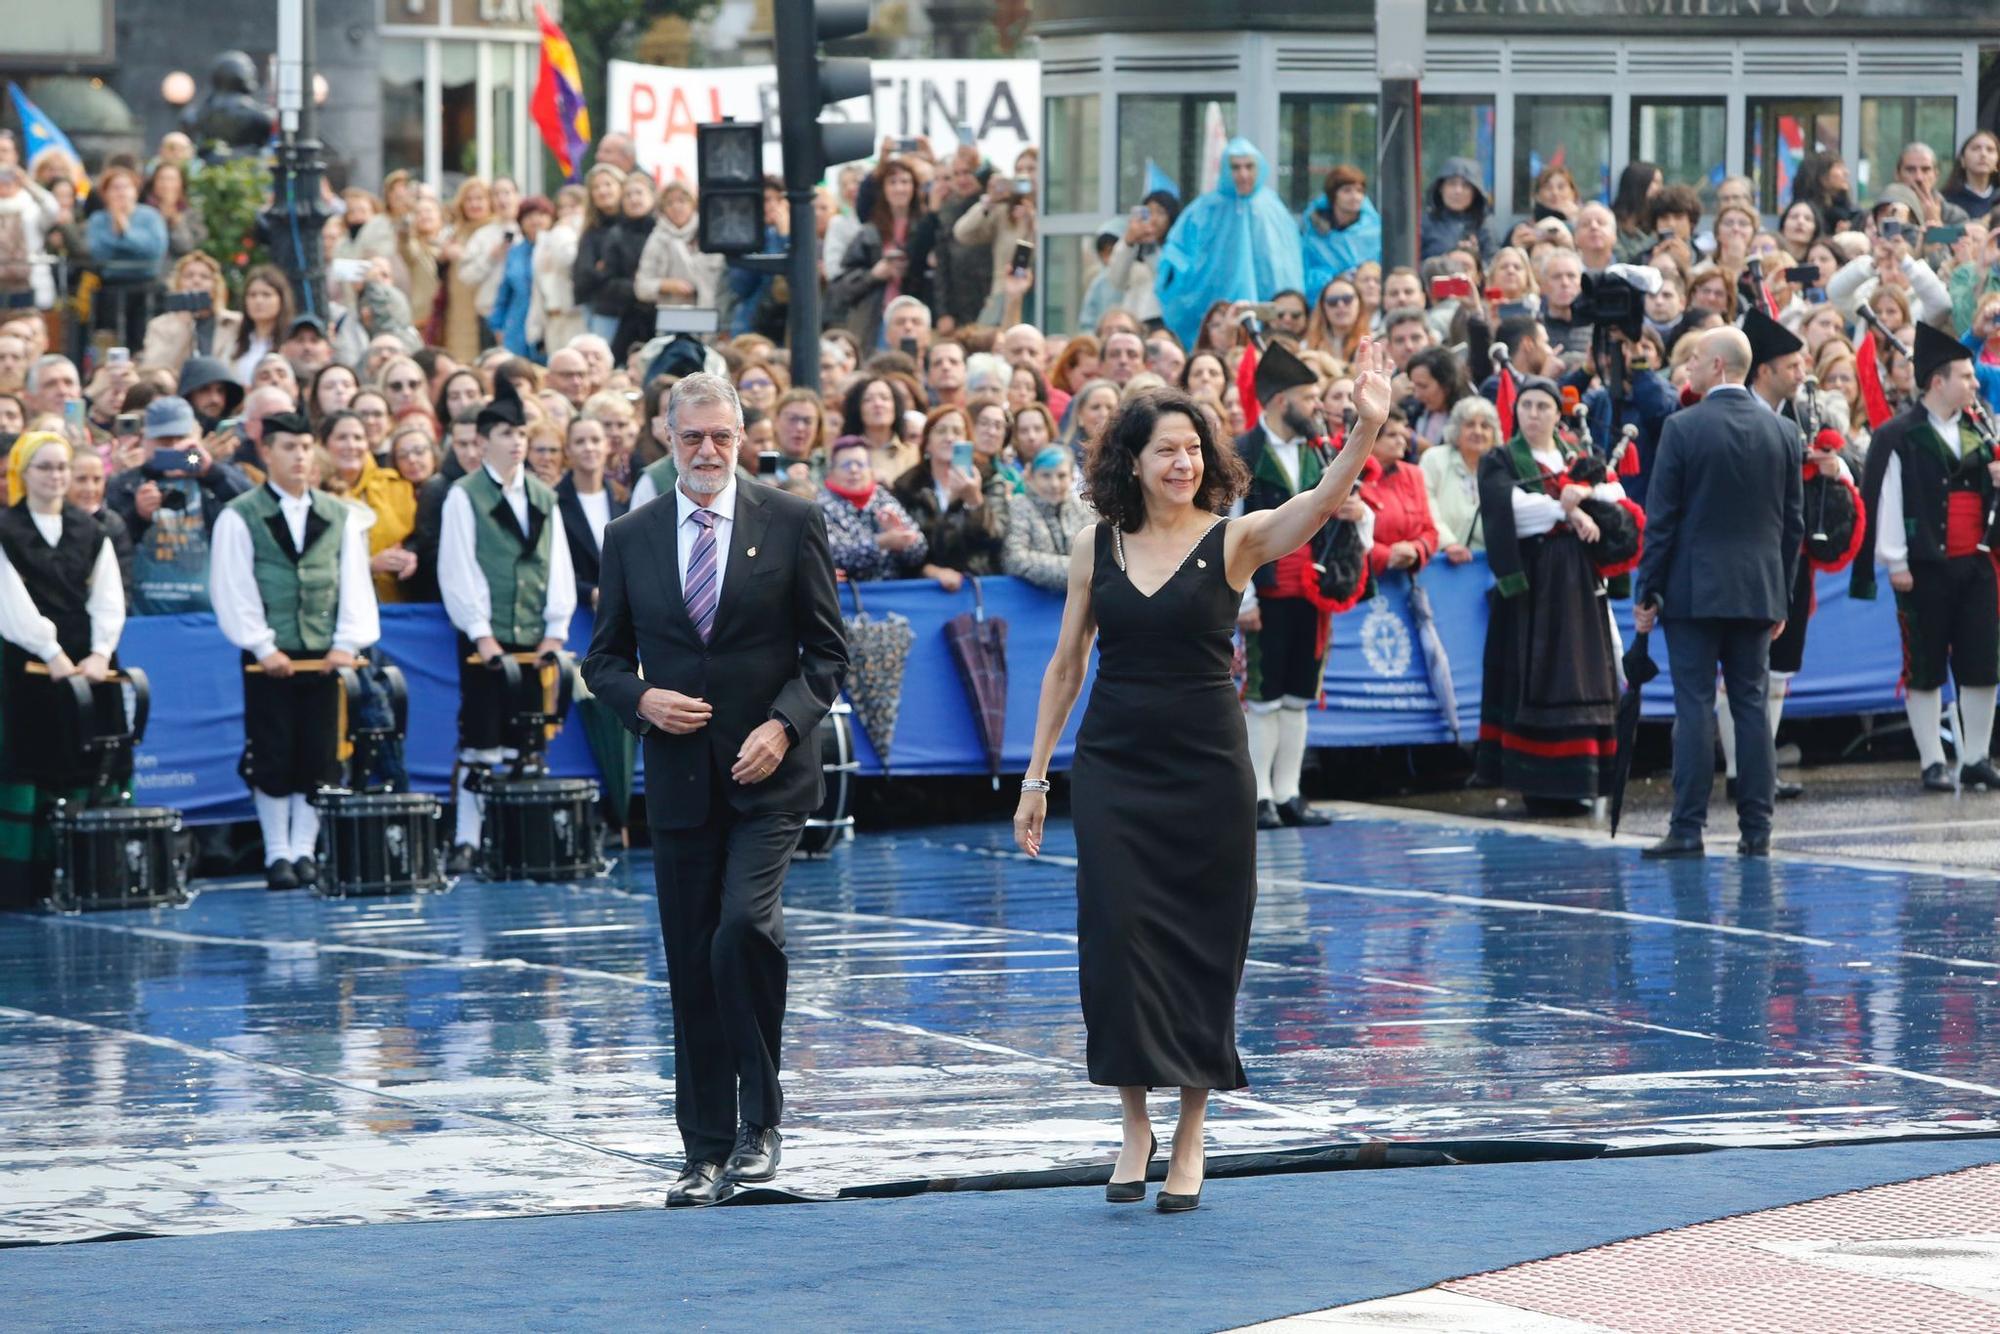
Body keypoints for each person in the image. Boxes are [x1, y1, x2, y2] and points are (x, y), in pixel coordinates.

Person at [1013, 355, 1388, 1213]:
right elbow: (1067, 664)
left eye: (1192, 449)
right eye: (1164, 451)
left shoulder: (1235, 536)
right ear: (1132, 464)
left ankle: (1190, 1132)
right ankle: (1133, 1123)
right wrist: (1036, 776)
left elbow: (1317, 505)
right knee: (1117, 940)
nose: (1182, 463)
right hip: (1114, 762)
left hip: (1209, 766)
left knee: (1199, 944)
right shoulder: (1092, 545)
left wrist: (1364, 427)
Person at [583, 372, 846, 1207]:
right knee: (692, 964)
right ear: (667, 440)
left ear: (743, 439)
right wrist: (641, 700)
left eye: (721, 437)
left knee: (743, 931)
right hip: (678, 784)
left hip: (769, 780)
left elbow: (828, 655)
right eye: (691, 437)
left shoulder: (794, 520)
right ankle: (702, 1148)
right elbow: (603, 661)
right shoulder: (630, 535)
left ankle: (760, 1124)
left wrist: (784, 724)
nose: (706, 452)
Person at [1634, 328, 1805, 858]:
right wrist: (1781, 596)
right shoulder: (1782, 432)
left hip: (1692, 593)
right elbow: (1793, 526)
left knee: (1695, 708)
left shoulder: (1682, 428)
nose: (1685, 371)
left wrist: (1648, 590)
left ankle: (1687, 828)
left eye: (1691, 362)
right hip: (1757, 591)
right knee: (1751, 707)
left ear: (1717, 366)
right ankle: (1758, 830)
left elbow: (1662, 521)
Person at [209, 412, 380, 890]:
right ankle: (276, 852)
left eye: (306, 446)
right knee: (272, 752)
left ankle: (305, 850)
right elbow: (233, 587)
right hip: (271, 660)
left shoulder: (339, 514)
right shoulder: (241, 515)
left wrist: (346, 643)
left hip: (324, 656)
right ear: (266, 453)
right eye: (289, 447)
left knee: (319, 754)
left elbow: (354, 584)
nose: (300, 456)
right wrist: (262, 645)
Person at [1475, 376, 1636, 814]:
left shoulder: (1578, 456)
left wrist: (1580, 494)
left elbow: (1614, 495)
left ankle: (1581, 779)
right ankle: (1538, 784)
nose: (1533, 413)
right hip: (1533, 587)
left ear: (1557, 414)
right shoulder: (1501, 459)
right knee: (1538, 673)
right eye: (1525, 405)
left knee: (1582, 673)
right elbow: (1509, 511)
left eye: (1542, 406)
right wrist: (1565, 508)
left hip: (1580, 587)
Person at [436, 378, 576, 873]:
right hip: (487, 640)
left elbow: (556, 562)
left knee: (528, 739)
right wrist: (481, 632)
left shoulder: (543, 496)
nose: (517, 441)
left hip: (533, 640)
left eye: (521, 432)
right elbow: (457, 568)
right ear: (483, 440)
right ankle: (467, 839)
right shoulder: (463, 496)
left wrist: (555, 628)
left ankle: (517, 837)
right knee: (481, 739)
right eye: (505, 433)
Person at [1854, 323, 2000, 793]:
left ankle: (1976, 756)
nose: (1975, 384)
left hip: (1977, 565)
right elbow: (1887, 497)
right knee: (1925, 664)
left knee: (1982, 664)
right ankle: (1932, 760)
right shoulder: (1899, 434)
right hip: (1924, 566)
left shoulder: (1979, 429)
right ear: (1939, 381)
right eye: (1966, 376)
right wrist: (1895, 560)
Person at [1235, 342, 1370, 830]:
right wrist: (1243, 597)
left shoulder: (1324, 450)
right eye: (1308, 397)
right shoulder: (1243, 452)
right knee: (1264, 696)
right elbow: (1231, 526)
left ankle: (1289, 793)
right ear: (1278, 401)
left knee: (1298, 696)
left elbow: (1348, 511)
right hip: (1267, 594)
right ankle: (1259, 797)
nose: (1318, 407)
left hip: (1313, 594)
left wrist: (1359, 513)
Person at [0, 433, 127, 908]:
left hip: (88, 668)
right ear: (23, 473)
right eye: (44, 467)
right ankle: (24, 884)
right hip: (26, 668)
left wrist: (98, 654)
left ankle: (92, 873)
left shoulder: (91, 530)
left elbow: (109, 599)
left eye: (61, 467)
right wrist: (50, 652)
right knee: (30, 763)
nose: (55, 476)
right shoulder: (6, 530)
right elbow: (9, 602)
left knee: (88, 757)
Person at [106, 394, 251, 614]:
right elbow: (108, 546)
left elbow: (253, 510)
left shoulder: (216, 477)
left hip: (211, 613)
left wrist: (212, 472)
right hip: (144, 613)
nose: (174, 448)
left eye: (181, 439)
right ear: (145, 440)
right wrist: (137, 516)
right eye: (164, 442)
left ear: (196, 436)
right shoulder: (124, 484)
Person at [1155, 139, 1304, 349]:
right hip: (1216, 312)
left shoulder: (1273, 209)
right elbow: (1177, 255)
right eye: (1235, 167)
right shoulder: (1204, 209)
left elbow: (1291, 263)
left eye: (1249, 166)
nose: (1243, 174)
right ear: (1225, 169)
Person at [816, 434, 928, 580]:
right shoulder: (820, 506)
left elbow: (920, 550)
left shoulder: (884, 499)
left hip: (892, 593)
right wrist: (881, 542)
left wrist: (903, 540)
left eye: (860, 464)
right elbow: (831, 554)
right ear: (832, 471)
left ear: (870, 469)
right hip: (847, 596)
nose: (854, 470)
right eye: (846, 465)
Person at [1003, 446, 1094, 592]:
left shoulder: (1083, 507)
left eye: (1061, 476)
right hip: (1032, 604)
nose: (1054, 484)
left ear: (1072, 477)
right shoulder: (1019, 505)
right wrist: (1075, 569)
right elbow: (1015, 559)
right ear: (1031, 477)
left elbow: (1097, 558)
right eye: (1046, 476)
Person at [1422, 396, 1501, 561]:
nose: (1478, 431)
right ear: (1456, 431)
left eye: (1485, 426)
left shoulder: (1499, 467)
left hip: (1484, 563)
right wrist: (1448, 543)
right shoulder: (1435, 459)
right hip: (1439, 559)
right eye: (1470, 425)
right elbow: (1426, 503)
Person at [1300, 165, 1382, 301]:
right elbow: (1306, 270)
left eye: (1360, 191)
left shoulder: (1374, 230)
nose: (1355, 197)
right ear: (1333, 195)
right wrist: (1335, 278)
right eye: (1347, 191)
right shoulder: (1312, 231)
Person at [1420, 158, 1493, 261]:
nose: (1458, 191)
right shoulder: (1424, 224)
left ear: (1475, 192)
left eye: (1466, 185)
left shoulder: (1484, 226)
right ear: (1441, 188)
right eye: (1452, 183)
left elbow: (1493, 266)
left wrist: (1474, 259)